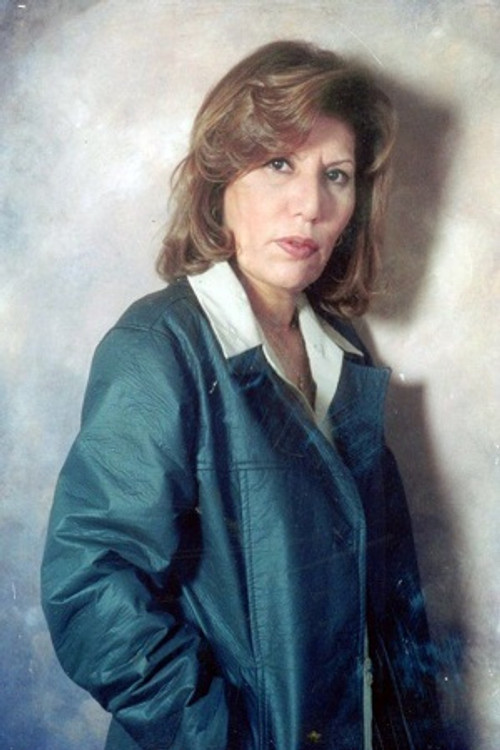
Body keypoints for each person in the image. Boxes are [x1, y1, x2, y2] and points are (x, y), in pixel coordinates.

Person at [41, 40, 446, 750]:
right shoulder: (157, 347)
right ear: (219, 178)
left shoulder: (345, 350)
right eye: (279, 164)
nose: (310, 204)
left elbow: (389, 608)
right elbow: (91, 589)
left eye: (336, 175)